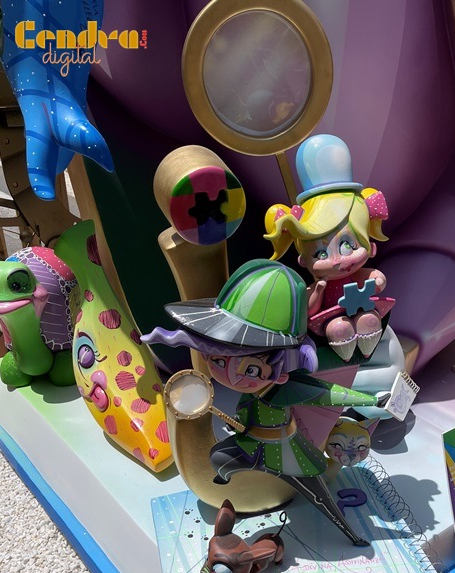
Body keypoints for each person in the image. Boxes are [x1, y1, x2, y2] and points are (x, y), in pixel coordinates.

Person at [145, 259, 386, 546]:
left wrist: (372, 399)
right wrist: (240, 422)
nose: (232, 377)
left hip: (287, 450)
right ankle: (226, 482)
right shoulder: (255, 394)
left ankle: (351, 534)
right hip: (251, 446)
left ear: (282, 369)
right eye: (218, 361)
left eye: (251, 369)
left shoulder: (286, 389)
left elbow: (329, 393)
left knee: (318, 495)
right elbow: (246, 411)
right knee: (219, 459)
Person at [264, 135, 394, 362]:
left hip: (363, 308)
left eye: (348, 246)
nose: (337, 260)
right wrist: (318, 290)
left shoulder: (356, 273)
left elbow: (376, 281)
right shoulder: (320, 283)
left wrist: (374, 278)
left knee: (369, 321)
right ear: (303, 260)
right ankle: (347, 359)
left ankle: (366, 352)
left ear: (369, 245)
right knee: (338, 328)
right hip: (331, 316)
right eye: (321, 253)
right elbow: (308, 310)